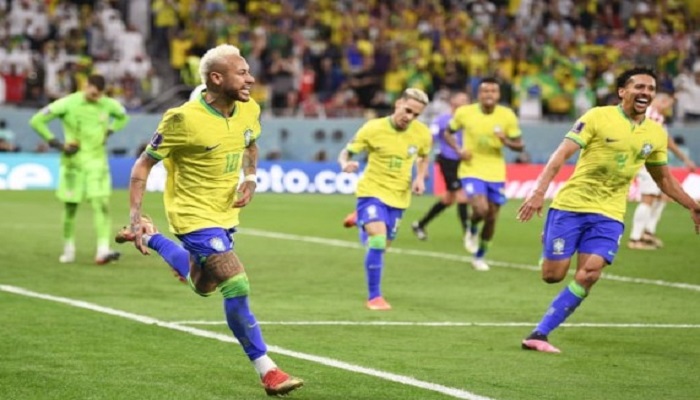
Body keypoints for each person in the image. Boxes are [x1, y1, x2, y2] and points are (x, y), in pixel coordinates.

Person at [117, 44, 303, 396]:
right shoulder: (182, 119)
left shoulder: (250, 109)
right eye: (241, 73)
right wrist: (134, 215)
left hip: (225, 212)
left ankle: (155, 238)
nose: (250, 79)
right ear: (216, 78)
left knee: (203, 286)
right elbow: (143, 164)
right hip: (191, 214)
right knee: (236, 283)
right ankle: (268, 370)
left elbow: (250, 144)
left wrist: (250, 178)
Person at [517, 67, 700, 353]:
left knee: (589, 274)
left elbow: (663, 179)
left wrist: (693, 205)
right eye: (639, 87)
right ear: (622, 91)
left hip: (610, 213)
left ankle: (540, 334)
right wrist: (538, 192)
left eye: (651, 88)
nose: (646, 92)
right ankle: (549, 241)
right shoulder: (597, 117)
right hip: (571, 205)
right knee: (552, 276)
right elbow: (561, 155)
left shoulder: (655, 133)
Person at [338, 88, 432, 310]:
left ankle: (361, 220)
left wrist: (420, 177)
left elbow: (424, 156)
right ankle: (374, 297)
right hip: (372, 191)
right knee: (378, 240)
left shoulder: (422, 133)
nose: (409, 117)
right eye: (407, 110)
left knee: (381, 246)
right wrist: (345, 164)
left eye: (416, 114)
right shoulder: (373, 128)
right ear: (398, 103)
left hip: (399, 197)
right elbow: (346, 152)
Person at [29, 74, 129, 264]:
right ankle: (68, 249)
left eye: (99, 95)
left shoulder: (108, 104)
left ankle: (103, 250)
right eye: (93, 94)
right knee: (70, 208)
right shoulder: (67, 103)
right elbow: (36, 120)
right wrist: (57, 143)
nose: (96, 98)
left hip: (97, 163)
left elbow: (123, 117)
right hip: (73, 164)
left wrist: (110, 131)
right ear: (86, 86)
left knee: (101, 204)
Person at [444, 77, 525, 271]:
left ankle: (480, 256)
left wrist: (506, 141)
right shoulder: (465, 112)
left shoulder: (507, 115)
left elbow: (520, 145)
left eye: (493, 91)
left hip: (496, 171)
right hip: (471, 167)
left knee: (491, 217)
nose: (489, 94)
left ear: (498, 94)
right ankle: (472, 229)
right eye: (485, 91)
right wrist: (458, 150)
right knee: (481, 209)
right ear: (478, 94)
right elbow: (447, 133)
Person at [628, 93, 697, 250]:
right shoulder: (651, 114)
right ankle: (635, 238)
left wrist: (685, 159)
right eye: (668, 104)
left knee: (663, 196)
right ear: (660, 101)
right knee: (648, 198)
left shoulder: (655, 116)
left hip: (655, 162)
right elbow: (660, 140)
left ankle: (648, 232)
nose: (669, 108)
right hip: (647, 162)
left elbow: (665, 140)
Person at [411, 91, 471, 240]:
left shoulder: (469, 120)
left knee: (449, 199)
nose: (466, 103)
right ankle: (469, 234)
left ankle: (420, 224)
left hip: (463, 162)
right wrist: (423, 167)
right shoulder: (441, 120)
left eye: (467, 100)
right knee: (462, 196)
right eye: (462, 100)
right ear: (453, 102)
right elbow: (429, 142)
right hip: (448, 160)